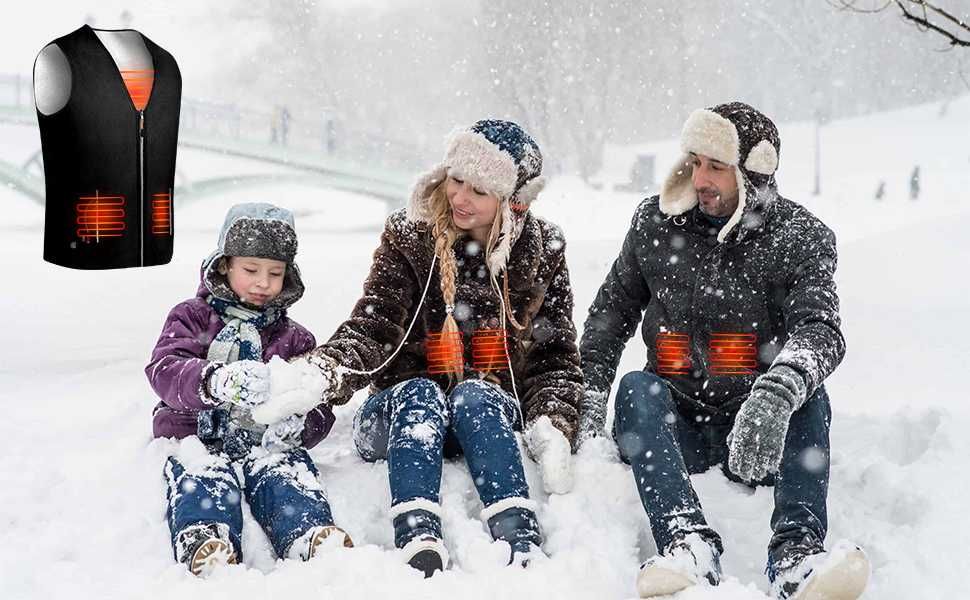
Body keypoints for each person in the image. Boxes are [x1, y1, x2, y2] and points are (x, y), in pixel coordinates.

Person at [578, 102, 869, 599]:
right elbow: (609, 319)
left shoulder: (800, 238)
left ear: (752, 173)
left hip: (758, 432)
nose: (700, 177)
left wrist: (777, 392)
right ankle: (687, 544)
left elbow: (821, 329)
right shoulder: (654, 223)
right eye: (694, 162)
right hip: (672, 427)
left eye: (716, 166)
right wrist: (585, 402)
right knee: (635, 387)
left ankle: (797, 557)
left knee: (808, 392)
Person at [300, 119, 583, 576]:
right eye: (456, 180)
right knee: (420, 393)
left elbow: (555, 355)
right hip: (400, 416)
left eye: (479, 190)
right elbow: (375, 324)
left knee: (477, 393)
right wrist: (325, 371)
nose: (459, 198)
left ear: (512, 204)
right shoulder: (410, 236)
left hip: (483, 418)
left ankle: (518, 533)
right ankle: (417, 532)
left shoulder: (542, 249)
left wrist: (555, 422)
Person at [145, 202, 351, 576]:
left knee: (286, 473)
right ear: (224, 264)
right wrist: (214, 380)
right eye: (251, 270)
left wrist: (300, 424)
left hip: (263, 443)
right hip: (196, 435)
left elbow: (317, 401)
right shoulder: (192, 317)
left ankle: (307, 531)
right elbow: (164, 369)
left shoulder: (295, 338)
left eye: (275, 273)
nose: (263, 283)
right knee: (203, 474)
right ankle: (205, 535)